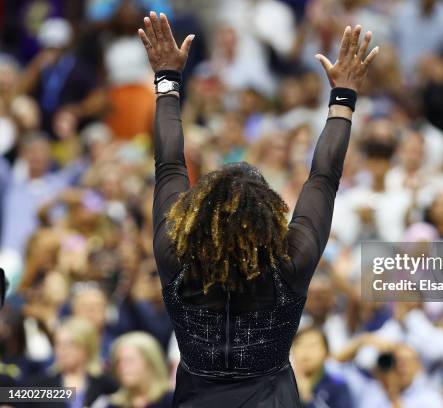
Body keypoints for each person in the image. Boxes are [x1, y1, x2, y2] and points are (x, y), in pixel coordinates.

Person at [138, 11, 379, 407]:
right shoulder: (289, 263)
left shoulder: (175, 258)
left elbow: (169, 165)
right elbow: (323, 178)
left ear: (198, 215)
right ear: (267, 216)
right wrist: (343, 97)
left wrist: (167, 81)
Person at [91, 332, 173, 408]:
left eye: (129, 360)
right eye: (118, 362)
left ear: (150, 363)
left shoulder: (172, 400)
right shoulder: (111, 404)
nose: (122, 367)